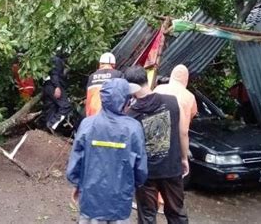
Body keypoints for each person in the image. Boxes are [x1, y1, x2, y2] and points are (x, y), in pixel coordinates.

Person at [66, 78, 148, 224]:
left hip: (91, 199)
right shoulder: (133, 128)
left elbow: (75, 162)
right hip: (120, 201)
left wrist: (77, 184)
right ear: (125, 101)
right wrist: (132, 185)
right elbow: (141, 170)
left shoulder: (88, 124)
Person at [124, 65, 189, 224]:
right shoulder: (173, 101)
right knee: (176, 212)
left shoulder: (130, 115)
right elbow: (183, 132)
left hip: (146, 173)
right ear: (146, 80)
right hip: (171, 168)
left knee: (147, 216)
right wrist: (184, 158)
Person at [85, 52, 123, 116]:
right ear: (113, 65)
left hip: (93, 116)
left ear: (100, 64)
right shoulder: (118, 74)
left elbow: (88, 98)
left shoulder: (92, 77)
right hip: (110, 115)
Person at [42, 55, 72, 132]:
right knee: (66, 106)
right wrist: (57, 87)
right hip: (54, 85)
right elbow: (54, 74)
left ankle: (46, 130)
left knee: (51, 108)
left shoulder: (48, 59)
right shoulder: (57, 60)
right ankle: (51, 124)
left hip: (47, 86)